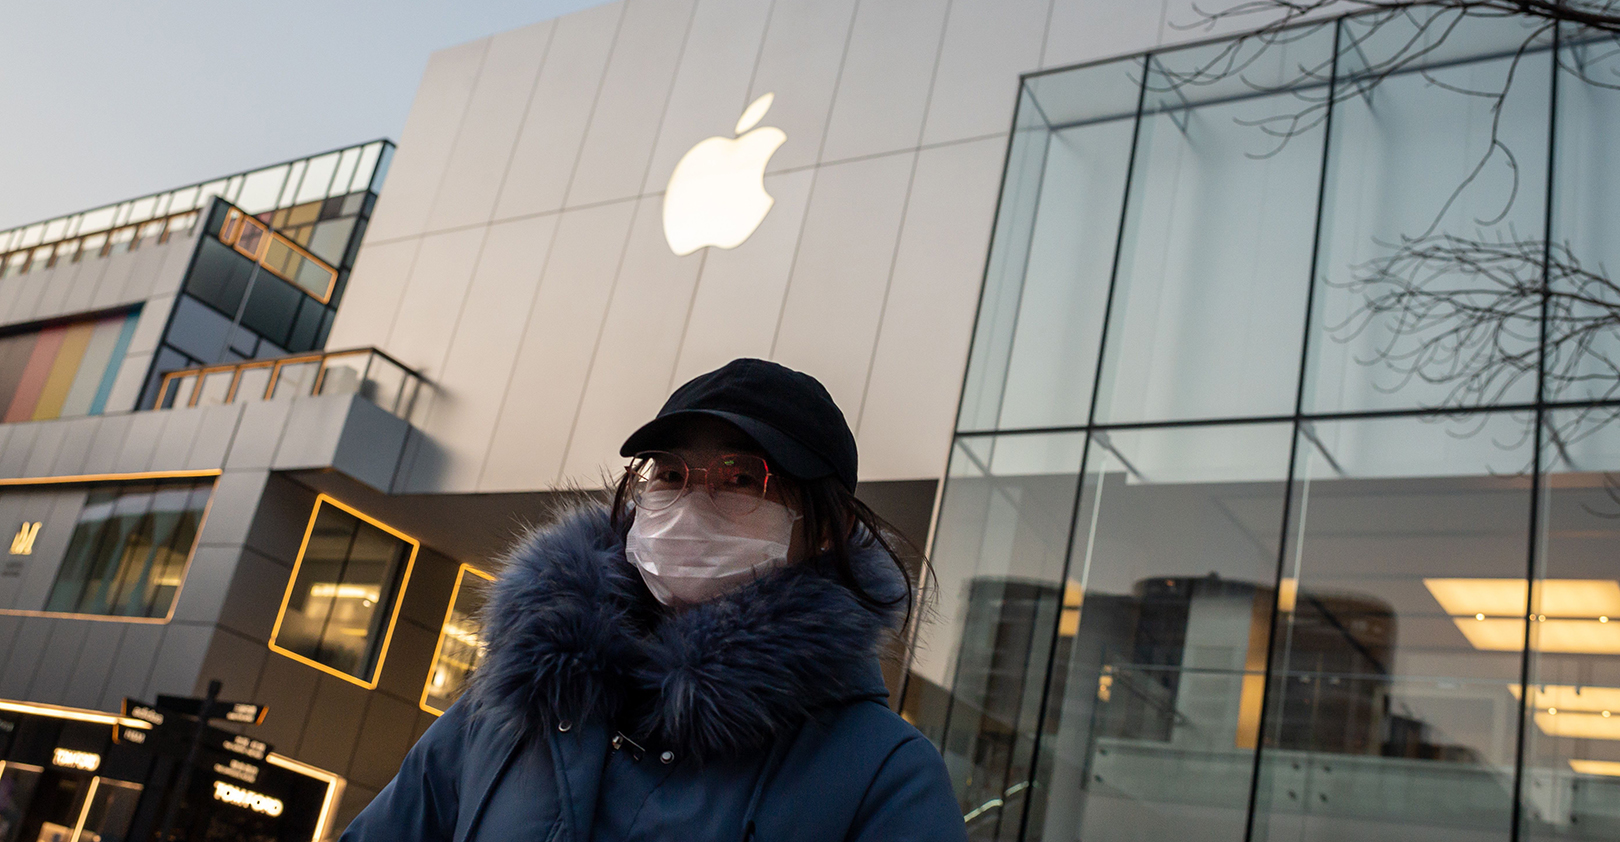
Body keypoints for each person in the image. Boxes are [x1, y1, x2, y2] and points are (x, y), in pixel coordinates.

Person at [341, 358, 966, 841]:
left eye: (741, 478)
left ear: (823, 529)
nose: (692, 501)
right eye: (669, 474)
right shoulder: (513, 705)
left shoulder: (883, 775)